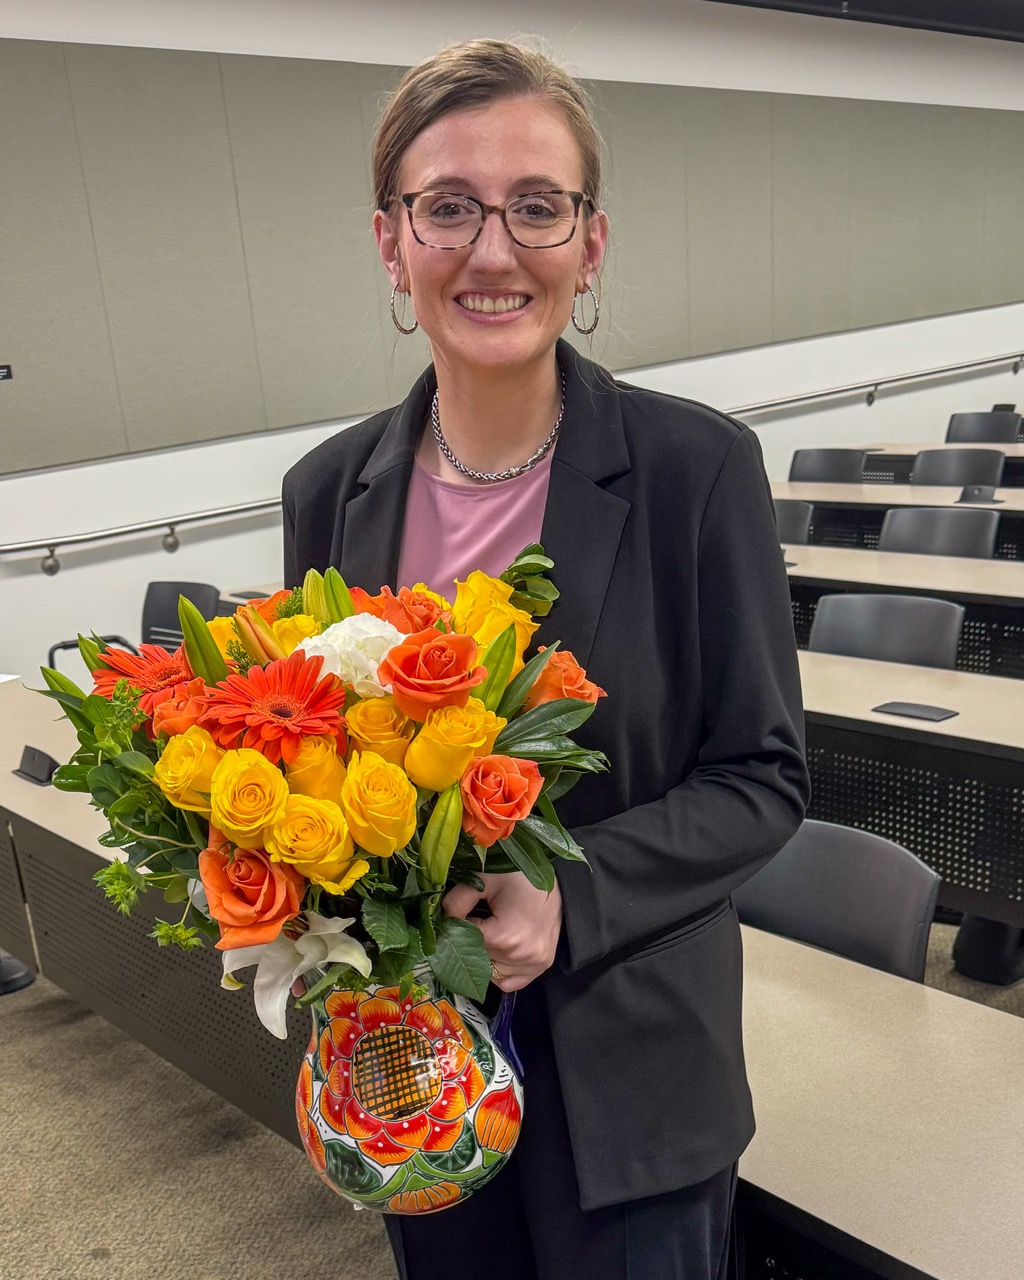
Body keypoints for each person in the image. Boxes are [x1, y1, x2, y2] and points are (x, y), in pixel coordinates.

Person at [282, 39, 809, 1280]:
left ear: (591, 241)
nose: (494, 248)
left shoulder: (695, 471)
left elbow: (762, 776)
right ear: (390, 242)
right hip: (410, 1069)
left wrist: (569, 897)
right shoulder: (328, 491)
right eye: (448, 207)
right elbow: (308, 754)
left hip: (634, 1081)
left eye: (537, 206)